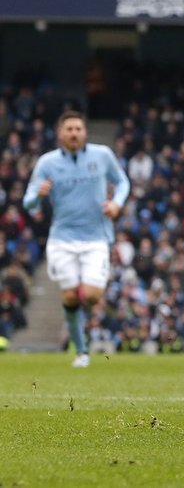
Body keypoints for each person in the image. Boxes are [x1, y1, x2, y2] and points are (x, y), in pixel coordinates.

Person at [23, 110, 130, 367]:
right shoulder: (47, 163)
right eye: (69, 129)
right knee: (70, 297)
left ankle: (85, 305)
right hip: (62, 239)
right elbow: (27, 202)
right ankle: (81, 351)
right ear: (60, 134)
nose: (74, 133)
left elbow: (123, 182)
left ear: (85, 132)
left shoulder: (102, 155)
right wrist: (38, 194)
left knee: (91, 296)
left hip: (96, 238)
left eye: (78, 129)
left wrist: (116, 203)